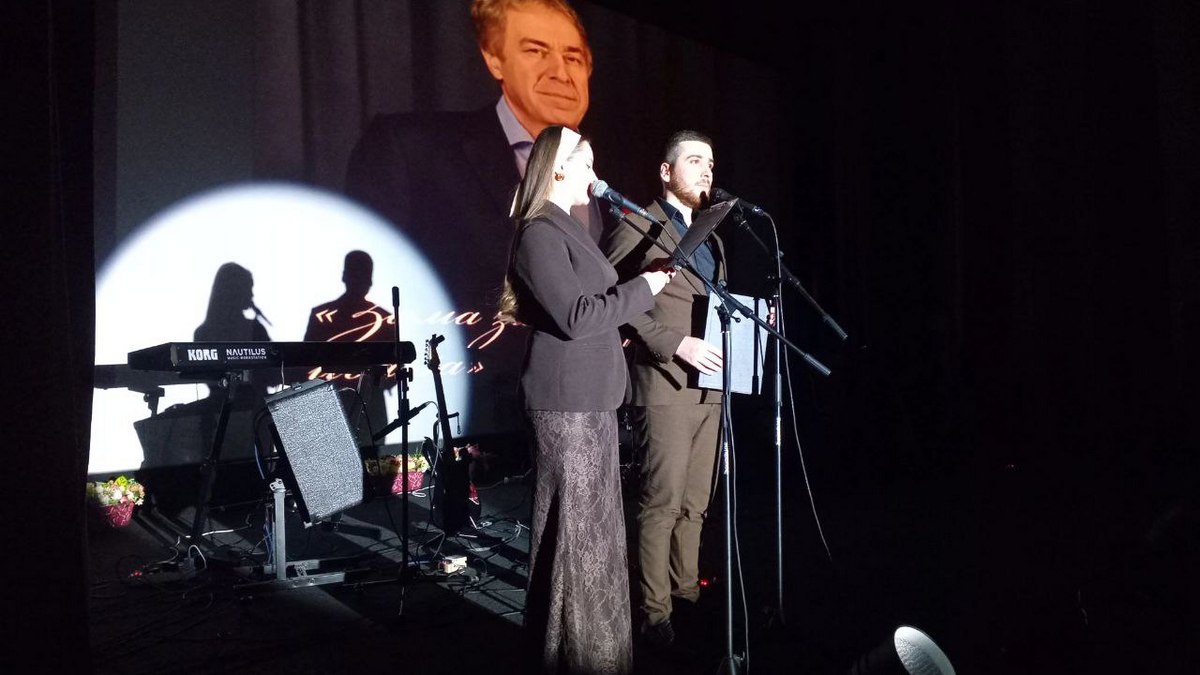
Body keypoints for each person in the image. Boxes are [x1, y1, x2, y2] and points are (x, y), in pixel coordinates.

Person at [344, 0, 599, 442]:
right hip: (460, 417)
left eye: (573, 57)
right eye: (536, 51)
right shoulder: (410, 147)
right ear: (494, 59)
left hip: (582, 399)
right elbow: (375, 283)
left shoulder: (602, 187)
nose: (561, 72)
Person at [500, 124, 673, 674]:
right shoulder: (539, 232)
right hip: (566, 403)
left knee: (593, 533)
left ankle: (597, 653)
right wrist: (643, 289)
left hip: (590, 401)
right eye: (586, 164)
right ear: (557, 168)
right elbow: (576, 317)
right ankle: (573, 656)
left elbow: (592, 310)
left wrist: (635, 293)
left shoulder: (567, 229)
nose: (595, 176)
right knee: (576, 537)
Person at [600, 130, 726, 648]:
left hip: (711, 387)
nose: (706, 170)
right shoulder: (639, 223)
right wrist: (674, 344)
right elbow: (609, 297)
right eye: (694, 160)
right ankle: (654, 614)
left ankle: (685, 595)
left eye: (710, 163)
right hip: (666, 382)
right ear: (666, 171)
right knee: (663, 502)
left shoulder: (712, 236)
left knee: (696, 502)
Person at [303, 250, 395, 446]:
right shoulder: (384, 319)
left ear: (344, 276)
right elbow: (393, 373)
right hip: (362, 411)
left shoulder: (322, 316)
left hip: (339, 406)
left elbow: (305, 364)